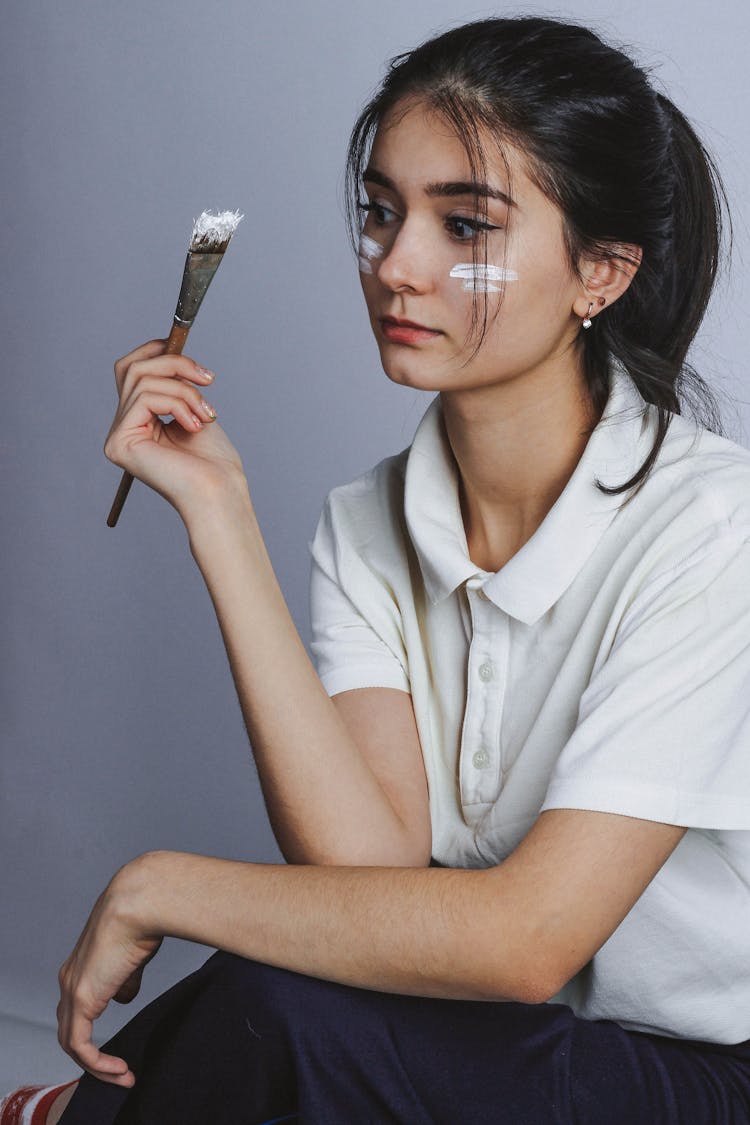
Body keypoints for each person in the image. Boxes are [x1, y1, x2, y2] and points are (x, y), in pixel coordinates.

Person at [5, 14, 750, 1124]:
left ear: (600, 270)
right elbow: (371, 877)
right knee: (279, 988)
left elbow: (527, 943)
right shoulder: (367, 524)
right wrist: (221, 513)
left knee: (280, 1008)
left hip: (693, 1067)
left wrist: (163, 884)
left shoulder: (715, 530)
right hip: (473, 1033)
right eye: (382, 211)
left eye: (464, 224)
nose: (398, 266)